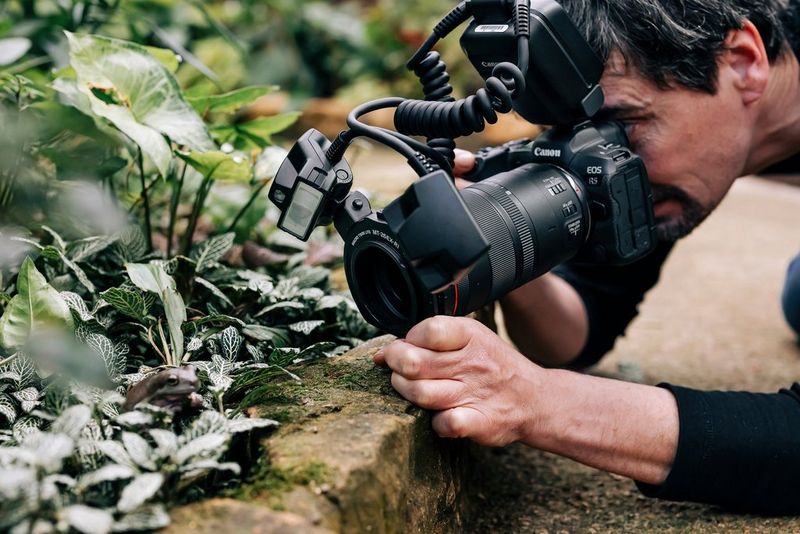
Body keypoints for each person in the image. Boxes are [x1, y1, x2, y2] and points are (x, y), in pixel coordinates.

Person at [374, 0, 800, 515]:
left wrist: (539, 401)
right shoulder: (671, 141)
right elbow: (584, 320)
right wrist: (502, 231)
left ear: (742, 61)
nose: (604, 154)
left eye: (624, 124)